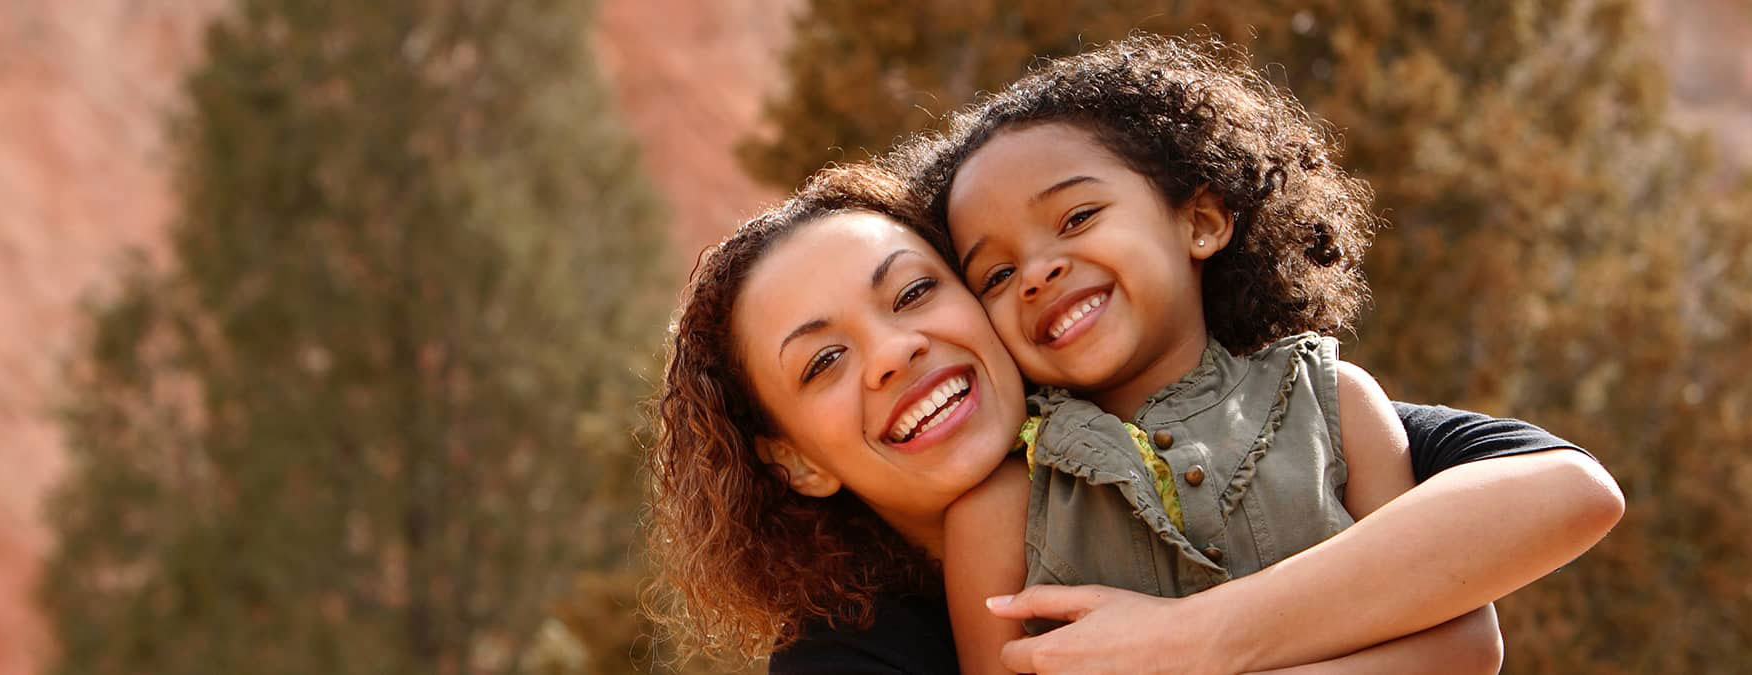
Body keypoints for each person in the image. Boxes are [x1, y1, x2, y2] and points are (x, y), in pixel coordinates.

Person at [643, 163, 1622, 673]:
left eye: (910, 295)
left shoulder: (1263, 429)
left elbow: (1558, 500)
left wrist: (1192, 642)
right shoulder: (848, 659)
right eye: (822, 360)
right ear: (793, 462)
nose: (894, 350)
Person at [908, 35, 1464, 673]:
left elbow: (1464, 644)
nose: (1035, 274)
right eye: (997, 276)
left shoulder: (1333, 402)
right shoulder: (998, 510)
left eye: (1076, 217)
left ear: (1201, 221)